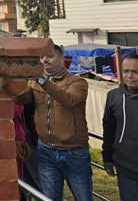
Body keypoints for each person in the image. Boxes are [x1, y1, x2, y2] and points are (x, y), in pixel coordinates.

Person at [13, 44, 91, 201]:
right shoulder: (35, 81)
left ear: (61, 59)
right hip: (46, 150)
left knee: (83, 197)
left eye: (49, 56)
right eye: (42, 57)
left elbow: (68, 99)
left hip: (73, 151)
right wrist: (16, 81)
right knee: (49, 198)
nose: (44, 60)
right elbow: (21, 100)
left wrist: (42, 80)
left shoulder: (77, 82)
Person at [103, 52, 138, 200]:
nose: (130, 76)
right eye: (126, 71)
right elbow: (109, 128)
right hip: (126, 168)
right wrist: (107, 157)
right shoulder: (114, 96)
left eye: (135, 72)